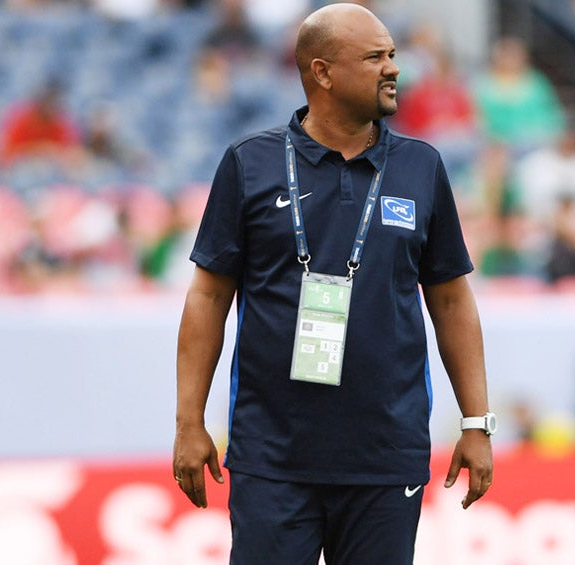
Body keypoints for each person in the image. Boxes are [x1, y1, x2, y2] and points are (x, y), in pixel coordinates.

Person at [171, 4, 494, 564]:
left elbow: (450, 299)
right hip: (272, 457)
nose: (394, 68)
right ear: (322, 72)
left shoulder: (423, 166)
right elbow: (207, 296)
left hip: (386, 456)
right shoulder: (250, 164)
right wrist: (188, 422)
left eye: (393, 54)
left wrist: (476, 423)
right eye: (375, 57)